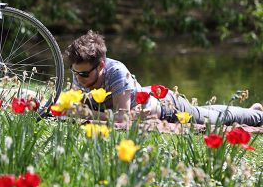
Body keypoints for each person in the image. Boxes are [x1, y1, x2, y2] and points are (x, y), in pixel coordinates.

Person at [63, 30, 263, 126]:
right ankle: (252, 110)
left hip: (168, 108)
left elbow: (122, 118)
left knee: (215, 119)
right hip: (149, 98)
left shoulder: (116, 72)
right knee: (206, 110)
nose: (78, 79)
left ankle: (257, 115)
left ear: (101, 65)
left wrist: (86, 114)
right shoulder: (80, 72)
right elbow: (72, 106)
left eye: (84, 74)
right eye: (74, 72)